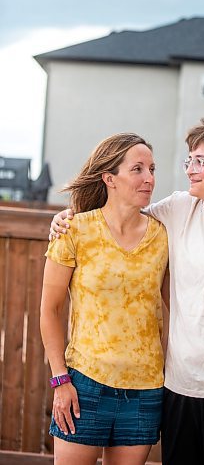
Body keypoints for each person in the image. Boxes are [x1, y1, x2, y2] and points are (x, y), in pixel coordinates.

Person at [50, 116, 204, 465]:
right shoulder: (178, 209)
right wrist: (66, 217)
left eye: (201, 162)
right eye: (189, 160)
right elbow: (119, 213)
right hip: (178, 391)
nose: (190, 169)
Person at [41, 133, 169, 465]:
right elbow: (50, 309)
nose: (149, 178)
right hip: (84, 385)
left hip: (145, 390)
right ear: (109, 178)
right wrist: (60, 380)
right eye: (138, 169)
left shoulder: (164, 237)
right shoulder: (74, 231)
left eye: (152, 169)